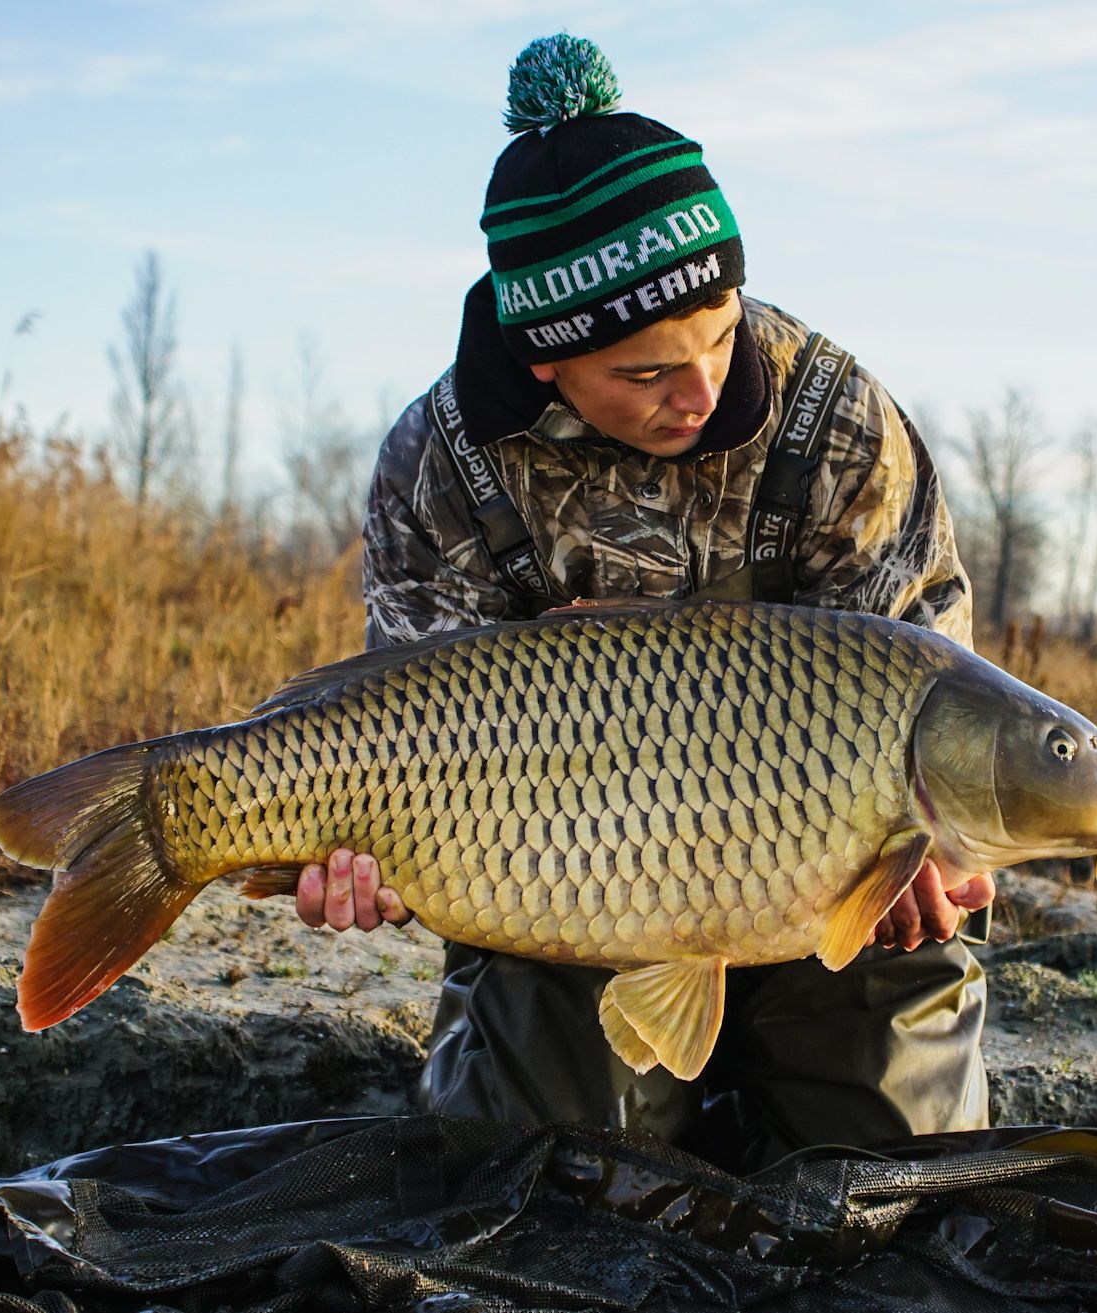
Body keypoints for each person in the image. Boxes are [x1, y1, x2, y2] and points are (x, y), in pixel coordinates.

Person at [292, 35, 994, 1171]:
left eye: (718, 335)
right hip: (564, 884)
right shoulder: (439, 464)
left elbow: (931, 686)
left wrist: (934, 854)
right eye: (648, 373)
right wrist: (358, 851)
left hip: (834, 895)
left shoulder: (841, 422)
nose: (704, 390)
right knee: (559, 1179)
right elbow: (405, 727)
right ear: (544, 364)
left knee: (898, 1179)